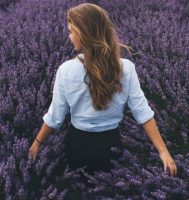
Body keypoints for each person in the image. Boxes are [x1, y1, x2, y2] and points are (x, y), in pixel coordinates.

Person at [29, 3, 177, 177]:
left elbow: (55, 117)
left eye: (71, 31)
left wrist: (37, 142)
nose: (69, 37)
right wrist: (163, 152)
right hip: (111, 146)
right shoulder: (125, 68)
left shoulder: (66, 70)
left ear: (83, 33)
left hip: (77, 146)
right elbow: (143, 113)